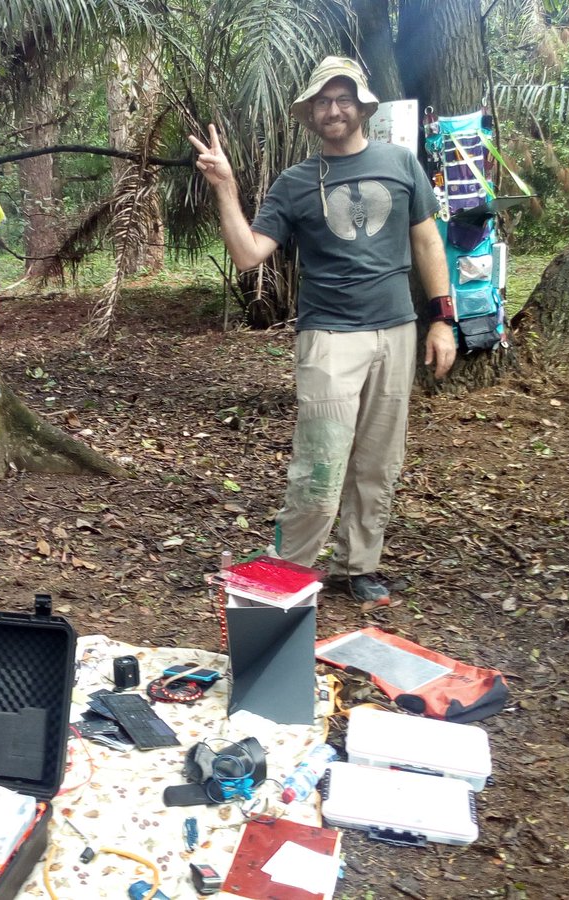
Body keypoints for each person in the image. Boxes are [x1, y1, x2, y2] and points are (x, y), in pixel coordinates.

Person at [189, 56, 455, 605]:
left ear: (362, 106)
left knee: (378, 459)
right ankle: (289, 569)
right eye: (323, 102)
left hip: (398, 331)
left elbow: (427, 242)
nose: (334, 109)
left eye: (343, 99)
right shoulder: (296, 182)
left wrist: (442, 320)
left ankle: (359, 566)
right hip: (330, 335)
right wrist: (226, 185)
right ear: (310, 113)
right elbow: (247, 255)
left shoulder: (400, 163)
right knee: (322, 460)